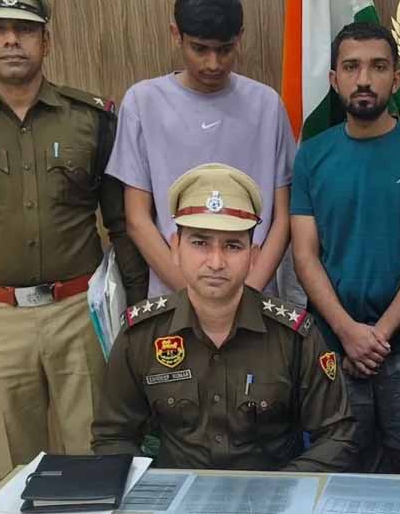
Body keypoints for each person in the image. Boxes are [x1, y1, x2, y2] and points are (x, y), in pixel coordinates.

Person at [0, 0, 147, 475]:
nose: (11, 40)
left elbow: (123, 224)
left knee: (94, 461)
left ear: (47, 40)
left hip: (79, 315)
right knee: (16, 472)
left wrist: (135, 312)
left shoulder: (92, 119)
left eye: (24, 29)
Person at [92, 163, 356, 471]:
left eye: (232, 245)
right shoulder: (142, 335)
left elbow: (338, 436)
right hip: (179, 493)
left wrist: (282, 487)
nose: (216, 262)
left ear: (252, 257)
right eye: (200, 242)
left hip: (272, 492)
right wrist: (154, 489)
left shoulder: (295, 336)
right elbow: (112, 436)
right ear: (175, 248)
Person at [290, 21, 400, 472]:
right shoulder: (311, 155)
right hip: (333, 346)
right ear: (334, 79)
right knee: (338, 469)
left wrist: (376, 337)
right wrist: (348, 333)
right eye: (351, 67)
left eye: (378, 66)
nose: (364, 78)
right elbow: (304, 256)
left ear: (397, 78)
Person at [106, 0, 296, 299]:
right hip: (175, 297)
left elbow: (283, 218)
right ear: (176, 35)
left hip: (254, 295)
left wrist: (246, 295)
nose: (213, 63)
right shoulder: (142, 102)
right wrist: (194, 297)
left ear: (240, 38)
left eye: (225, 50)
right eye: (199, 49)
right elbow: (137, 219)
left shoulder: (267, 105)